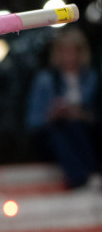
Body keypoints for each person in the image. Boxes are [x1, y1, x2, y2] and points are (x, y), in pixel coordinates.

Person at [25, 27, 99, 189]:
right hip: (54, 134)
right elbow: (33, 122)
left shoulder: (91, 77)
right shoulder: (45, 80)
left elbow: (95, 115)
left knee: (76, 126)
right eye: (65, 52)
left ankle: (90, 174)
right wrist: (52, 114)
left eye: (74, 52)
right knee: (62, 129)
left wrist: (81, 114)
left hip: (85, 132)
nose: (70, 57)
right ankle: (81, 178)